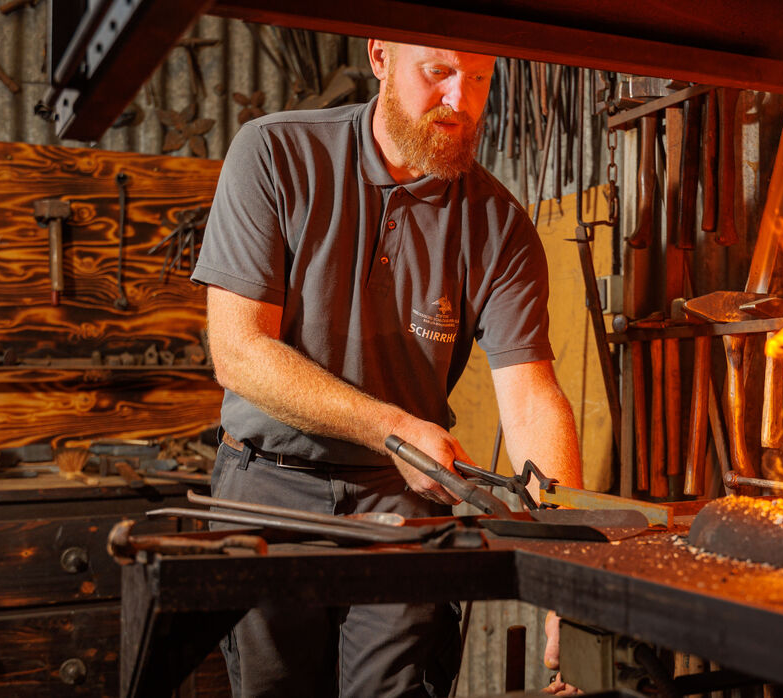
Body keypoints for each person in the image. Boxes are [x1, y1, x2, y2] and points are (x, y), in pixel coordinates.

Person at [191, 38, 583, 697]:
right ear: (380, 58)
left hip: (401, 504)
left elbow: (532, 399)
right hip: (270, 493)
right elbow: (238, 354)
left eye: (480, 79)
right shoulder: (275, 154)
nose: (462, 101)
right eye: (439, 73)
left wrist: (568, 579)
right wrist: (394, 428)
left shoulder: (498, 224)